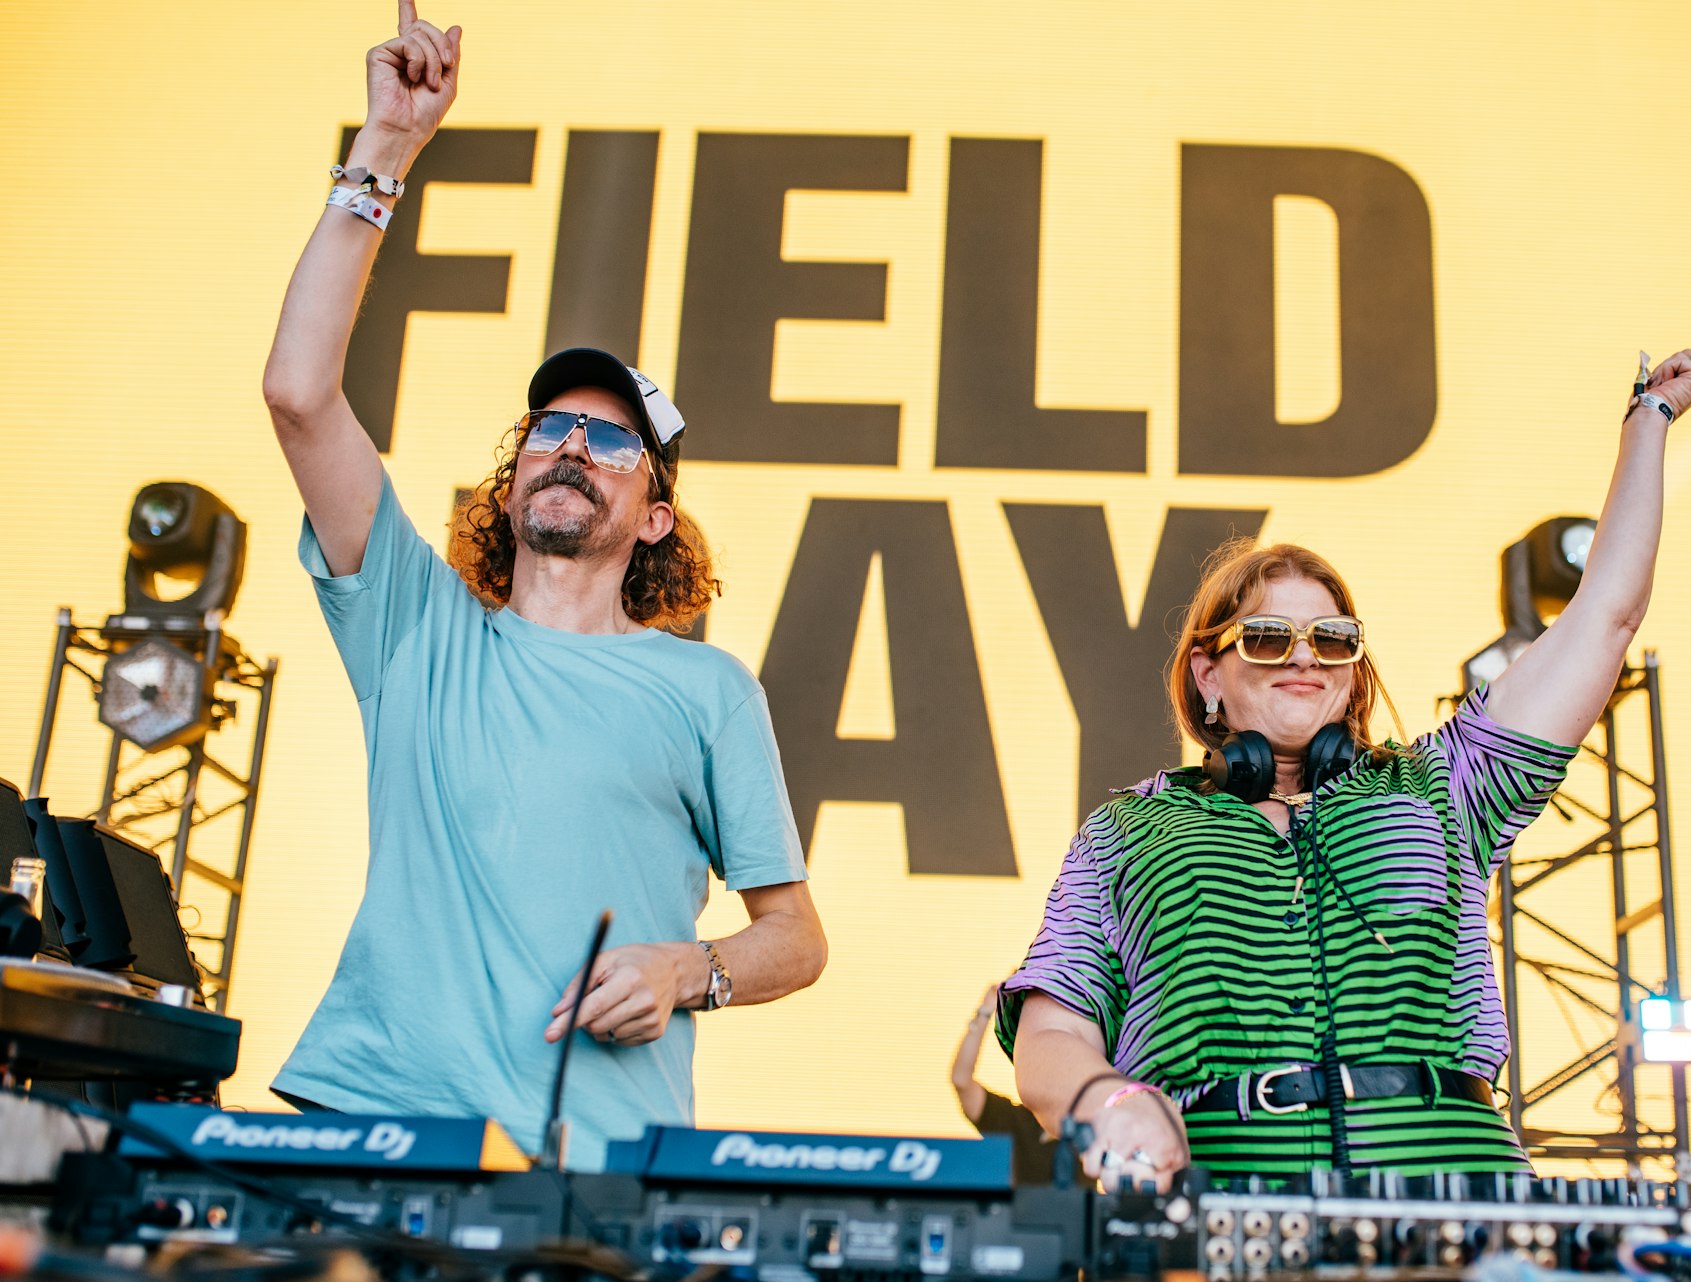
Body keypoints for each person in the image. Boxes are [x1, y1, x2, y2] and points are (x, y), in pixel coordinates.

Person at [260, 1, 826, 1168]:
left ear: (655, 516)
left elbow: (797, 937)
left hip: (591, 1160)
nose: (573, 443)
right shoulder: (417, 627)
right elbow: (299, 393)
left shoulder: (706, 688)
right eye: (552, 425)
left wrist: (689, 970)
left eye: (612, 441)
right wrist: (387, 149)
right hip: (374, 1124)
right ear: (513, 473)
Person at [996, 352, 1691, 1188]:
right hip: (1217, 1199)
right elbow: (1052, 1031)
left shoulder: (1444, 784)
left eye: (1331, 639)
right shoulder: (1126, 831)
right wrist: (1107, 1102)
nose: (1305, 658)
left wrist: (1646, 424)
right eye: (1267, 638)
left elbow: (1605, 617)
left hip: (1462, 1200)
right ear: (1207, 674)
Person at [951, 984, 1087, 1187]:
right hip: (1018, 1217)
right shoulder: (1012, 1119)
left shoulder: (1091, 1122)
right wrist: (986, 1011)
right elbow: (962, 1080)